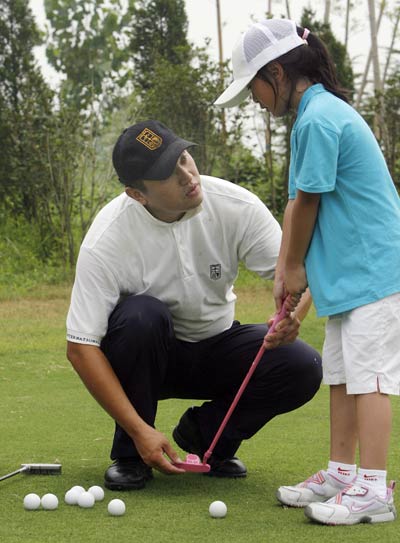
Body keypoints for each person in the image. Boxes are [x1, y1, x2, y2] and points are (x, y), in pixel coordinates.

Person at [66, 119, 322, 492]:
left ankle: (207, 439)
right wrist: (141, 431)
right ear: (138, 194)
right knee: (142, 316)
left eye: (185, 158)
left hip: (218, 347)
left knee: (302, 365)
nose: (188, 175)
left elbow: (300, 271)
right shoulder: (107, 239)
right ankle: (132, 453)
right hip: (150, 359)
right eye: (169, 174)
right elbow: (80, 348)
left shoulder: (236, 205)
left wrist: (292, 317)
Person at [215, 18, 400, 526]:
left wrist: (291, 266)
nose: (253, 98)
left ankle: (374, 491)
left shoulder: (319, 119)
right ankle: (343, 474)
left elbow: (309, 204)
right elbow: (300, 207)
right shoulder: (312, 118)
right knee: (342, 377)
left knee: (370, 381)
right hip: (348, 278)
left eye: (252, 85)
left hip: (375, 273)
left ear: (275, 72)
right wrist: (293, 288)